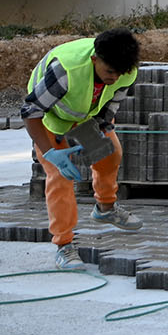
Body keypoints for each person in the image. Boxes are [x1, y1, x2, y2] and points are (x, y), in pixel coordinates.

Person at [23, 28, 145, 270]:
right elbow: (30, 112)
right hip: (50, 116)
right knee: (59, 176)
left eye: (120, 73)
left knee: (111, 152)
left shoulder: (125, 71)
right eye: (109, 71)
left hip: (85, 113)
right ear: (94, 60)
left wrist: (103, 125)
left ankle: (105, 207)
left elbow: (111, 103)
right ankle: (64, 246)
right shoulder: (66, 72)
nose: (114, 77)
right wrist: (50, 153)